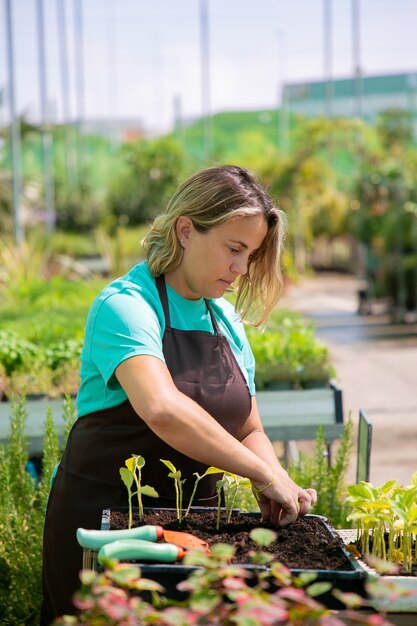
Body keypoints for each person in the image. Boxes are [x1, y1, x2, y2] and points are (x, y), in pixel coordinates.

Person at [41, 164, 317, 624]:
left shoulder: (225, 320)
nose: (240, 268)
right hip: (106, 525)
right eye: (233, 248)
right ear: (186, 230)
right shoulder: (126, 305)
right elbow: (162, 409)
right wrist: (261, 474)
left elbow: (248, 426)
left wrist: (274, 479)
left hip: (193, 533)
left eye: (249, 254)